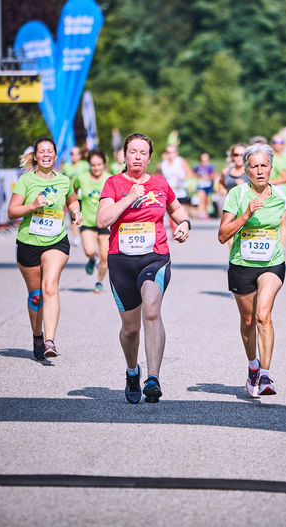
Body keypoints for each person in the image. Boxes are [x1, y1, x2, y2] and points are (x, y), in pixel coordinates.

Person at [96, 133, 190, 404]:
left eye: (143, 153)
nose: (137, 157)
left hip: (155, 258)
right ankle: (131, 371)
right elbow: (102, 219)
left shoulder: (160, 183)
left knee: (151, 310)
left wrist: (184, 225)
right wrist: (130, 197)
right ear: (124, 156)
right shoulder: (113, 183)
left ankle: (153, 378)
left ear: (150, 157)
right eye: (132, 152)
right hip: (121, 260)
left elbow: (178, 213)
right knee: (130, 328)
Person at [218, 143, 286, 397]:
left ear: (271, 167)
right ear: (246, 169)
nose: (259, 171)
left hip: (272, 263)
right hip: (242, 265)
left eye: (263, 166)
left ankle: (266, 375)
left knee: (263, 315)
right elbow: (222, 236)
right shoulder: (237, 194)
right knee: (248, 321)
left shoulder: (282, 195)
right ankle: (253, 366)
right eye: (254, 166)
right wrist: (245, 215)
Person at [8, 137, 83, 360]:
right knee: (36, 296)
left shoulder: (63, 180)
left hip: (56, 241)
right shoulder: (25, 181)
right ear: (36, 156)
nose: (46, 154)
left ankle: (50, 340)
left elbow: (72, 200)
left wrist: (76, 212)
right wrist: (32, 206)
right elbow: (12, 212)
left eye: (50, 150)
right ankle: (37, 336)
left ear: (55, 154)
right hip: (29, 242)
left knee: (50, 286)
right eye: (42, 151)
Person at [73, 149, 111, 293]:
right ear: (89, 165)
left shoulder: (109, 178)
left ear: (104, 164)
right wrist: (75, 208)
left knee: (105, 256)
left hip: (105, 223)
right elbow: (73, 193)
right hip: (88, 222)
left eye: (99, 164)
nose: (96, 168)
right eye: (93, 165)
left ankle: (99, 281)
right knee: (89, 251)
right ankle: (91, 259)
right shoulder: (81, 178)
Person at [193, 152, 216, 219]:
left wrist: (207, 177)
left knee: (206, 199)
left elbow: (213, 175)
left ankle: (204, 212)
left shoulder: (210, 167)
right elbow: (193, 174)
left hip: (208, 185)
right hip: (200, 185)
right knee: (201, 197)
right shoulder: (197, 166)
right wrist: (198, 178)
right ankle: (200, 212)